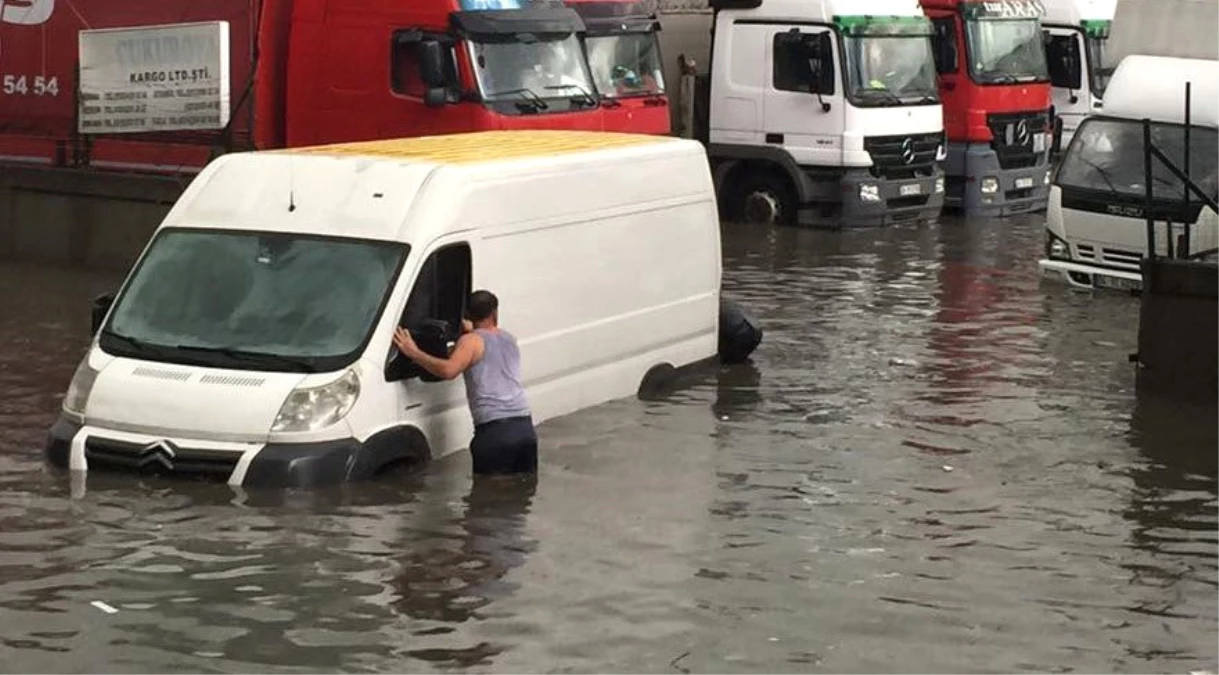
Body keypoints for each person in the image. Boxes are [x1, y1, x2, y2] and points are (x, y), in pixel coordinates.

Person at [393, 290, 537, 475]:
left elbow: (448, 370)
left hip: (495, 432)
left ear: (467, 315)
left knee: (489, 498)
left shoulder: (469, 342)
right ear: (494, 312)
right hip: (524, 428)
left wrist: (413, 352)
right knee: (522, 491)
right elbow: (484, 348)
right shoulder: (509, 339)